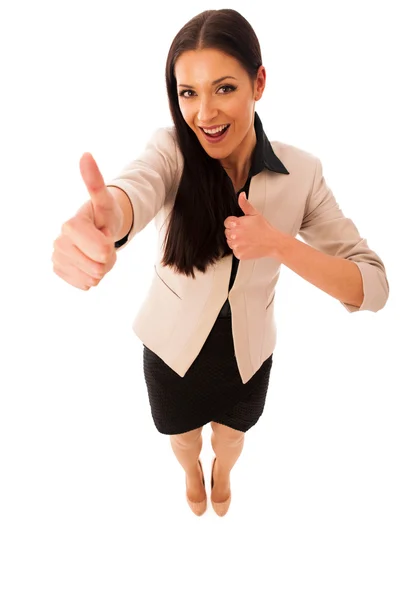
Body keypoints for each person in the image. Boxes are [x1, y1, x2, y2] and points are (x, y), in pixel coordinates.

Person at [52, 9, 390, 517]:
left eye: (224, 88)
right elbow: (138, 186)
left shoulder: (302, 172)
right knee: (183, 439)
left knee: (231, 439)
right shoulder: (171, 150)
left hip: (247, 355)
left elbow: (374, 287)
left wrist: (279, 244)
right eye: (188, 93)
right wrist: (109, 219)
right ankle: (192, 471)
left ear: (259, 82)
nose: (204, 113)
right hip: (171, 349)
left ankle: (222, 472)